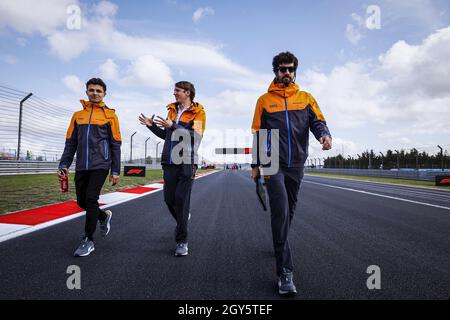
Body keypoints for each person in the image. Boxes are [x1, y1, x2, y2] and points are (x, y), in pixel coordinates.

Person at [251, 52, 332, 295]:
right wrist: (256, 164)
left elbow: (318, 121)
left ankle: (279, 241)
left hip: (297, 162)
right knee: (280, 210)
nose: (287, 73)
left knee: (290, 210)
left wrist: (324, 135)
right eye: (283, 69)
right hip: (272, 163)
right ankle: (285, 273)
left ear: (295, 72)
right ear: (275, 72)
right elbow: (258, 132)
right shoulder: (264, 100)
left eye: (291, 69)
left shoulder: (306, 98)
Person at [139, 81, 206, 257]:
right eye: (175, 90)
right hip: (169, 161)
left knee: (181, 201)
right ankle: (183, 219)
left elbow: (195, 137)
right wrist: (151, 125)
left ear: (187, 92)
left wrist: (173, 126)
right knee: (169, 200)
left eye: (177, 91)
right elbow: (167, 135)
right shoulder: (172, 111)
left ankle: (182, 241)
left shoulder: (199, 113)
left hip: (186, 162)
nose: (174, 93)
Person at [58, 78, 122, 257]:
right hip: (81, 165)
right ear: (86, 92)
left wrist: (115, 170)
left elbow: (116, 144)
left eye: (98, 90)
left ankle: (88, 240)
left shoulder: (111, 116)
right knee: (81, 202)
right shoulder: (77, 116)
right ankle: (103, 216)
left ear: (104, 94)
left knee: (91, 199)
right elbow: (70, 143)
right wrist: (64, 164)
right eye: (91, 90)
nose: (95, 93)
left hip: (101, 164)